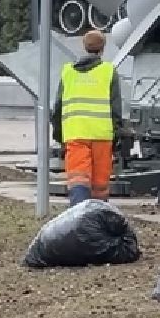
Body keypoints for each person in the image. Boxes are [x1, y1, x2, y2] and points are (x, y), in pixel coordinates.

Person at [50, 30, 125, 203]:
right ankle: (97, 220)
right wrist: (117, 135)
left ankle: (79, 219)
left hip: (76, 135)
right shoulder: (108, 71)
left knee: (78, 180)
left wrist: (60, 137)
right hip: (102, 136)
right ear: (102, 49)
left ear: (84, 47)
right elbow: (116, 109)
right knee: (99, 186)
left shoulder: (68, 72)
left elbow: (58, 108)